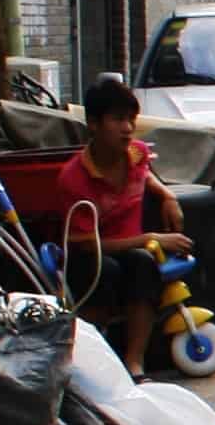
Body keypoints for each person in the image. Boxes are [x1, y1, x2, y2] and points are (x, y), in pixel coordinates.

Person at [64, 72, 181, 370]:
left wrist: (168, 196)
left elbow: (145, 175)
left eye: (131, 119)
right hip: (92, 253)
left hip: (133, 251)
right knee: (107, 271)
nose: (128, 129)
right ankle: (93, 362)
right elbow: (85, 244)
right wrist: (148, 238)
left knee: (143, 265)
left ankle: (134, 361)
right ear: (94, 124)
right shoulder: (74, 178)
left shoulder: (136, 152)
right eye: (118, 120)